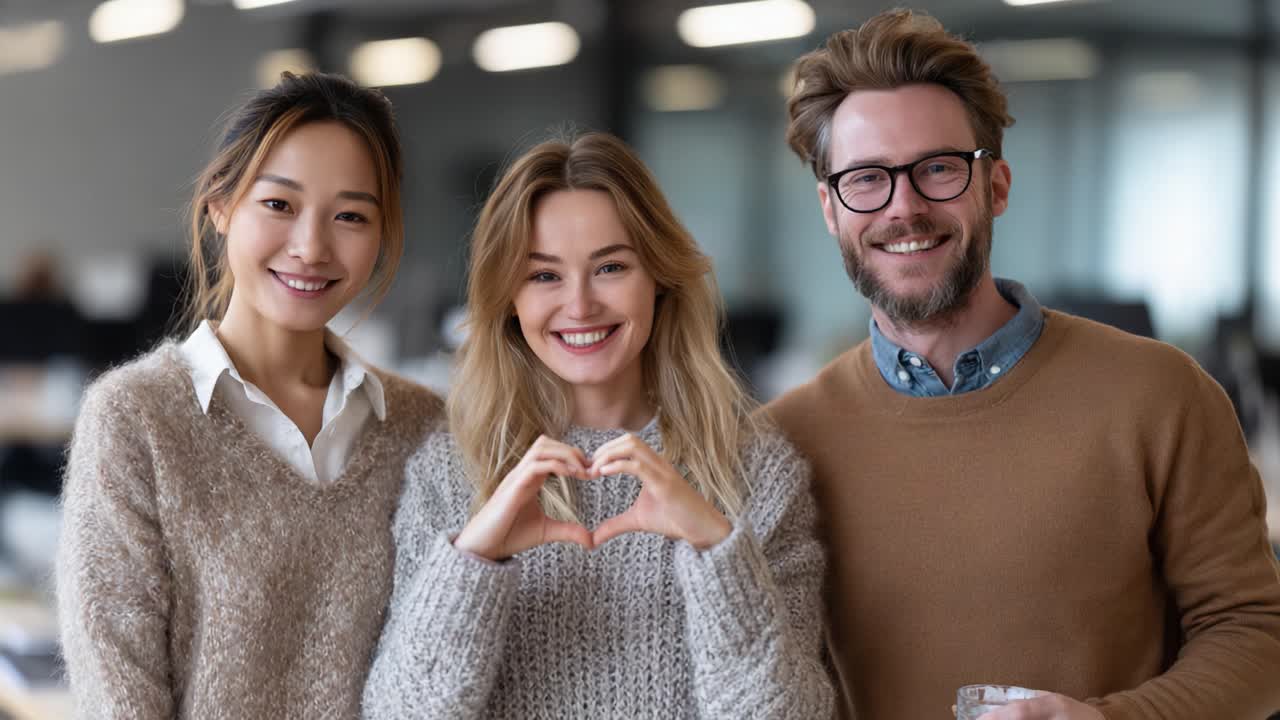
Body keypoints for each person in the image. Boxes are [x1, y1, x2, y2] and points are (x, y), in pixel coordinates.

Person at [764, 9, 1280, 720]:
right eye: (866, 179)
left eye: (938, 169)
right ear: (830, 207)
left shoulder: (1161, 396)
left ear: (997, 186)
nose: (903, 206)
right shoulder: (776, 445)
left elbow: (1256, 637)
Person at [362, 132, 833, 719]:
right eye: (544, 276)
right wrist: (473, 562)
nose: (580, 305)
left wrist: (715, 549)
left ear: (658, 278)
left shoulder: (757, 472)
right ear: (508, 296)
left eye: (610, 267)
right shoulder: (449, 471)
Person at [55, 72, 443, 718]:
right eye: (279, 205)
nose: (311, 247)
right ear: (220, 207)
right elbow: (119, 695)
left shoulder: (424, 427)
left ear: (381, 235)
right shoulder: (135, 418)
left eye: (350, 216)